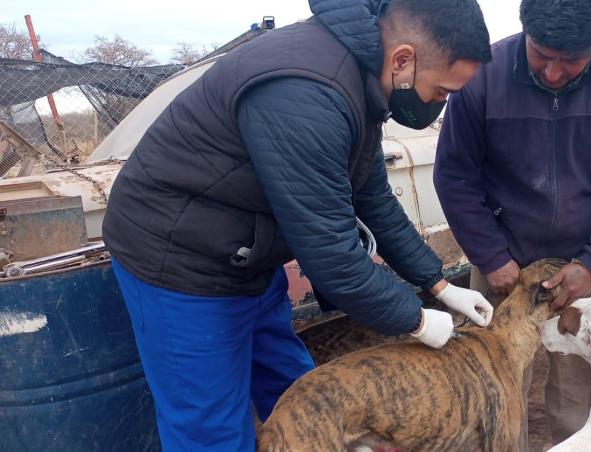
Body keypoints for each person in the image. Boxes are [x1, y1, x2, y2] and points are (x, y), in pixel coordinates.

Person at [102, 0, 493, 449]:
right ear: (403, 59)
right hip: (181, 264)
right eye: (441, 90)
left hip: (246, 254)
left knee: (301, 396)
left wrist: (438, 284)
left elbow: (372, 197)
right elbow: (331, 255)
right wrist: (417, 320)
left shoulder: (362, 79)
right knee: (211, 429)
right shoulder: (308, 90)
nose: (440, 103)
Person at [434, 0, 591, 449]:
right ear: (525, 30)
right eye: (541, 55)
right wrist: (490, 256)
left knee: (581, 387)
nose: (553, 74)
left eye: (572, 61)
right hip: (504, 260)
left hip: (588, 259)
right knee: (493, 386)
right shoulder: (483, 76)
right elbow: (455, 176)